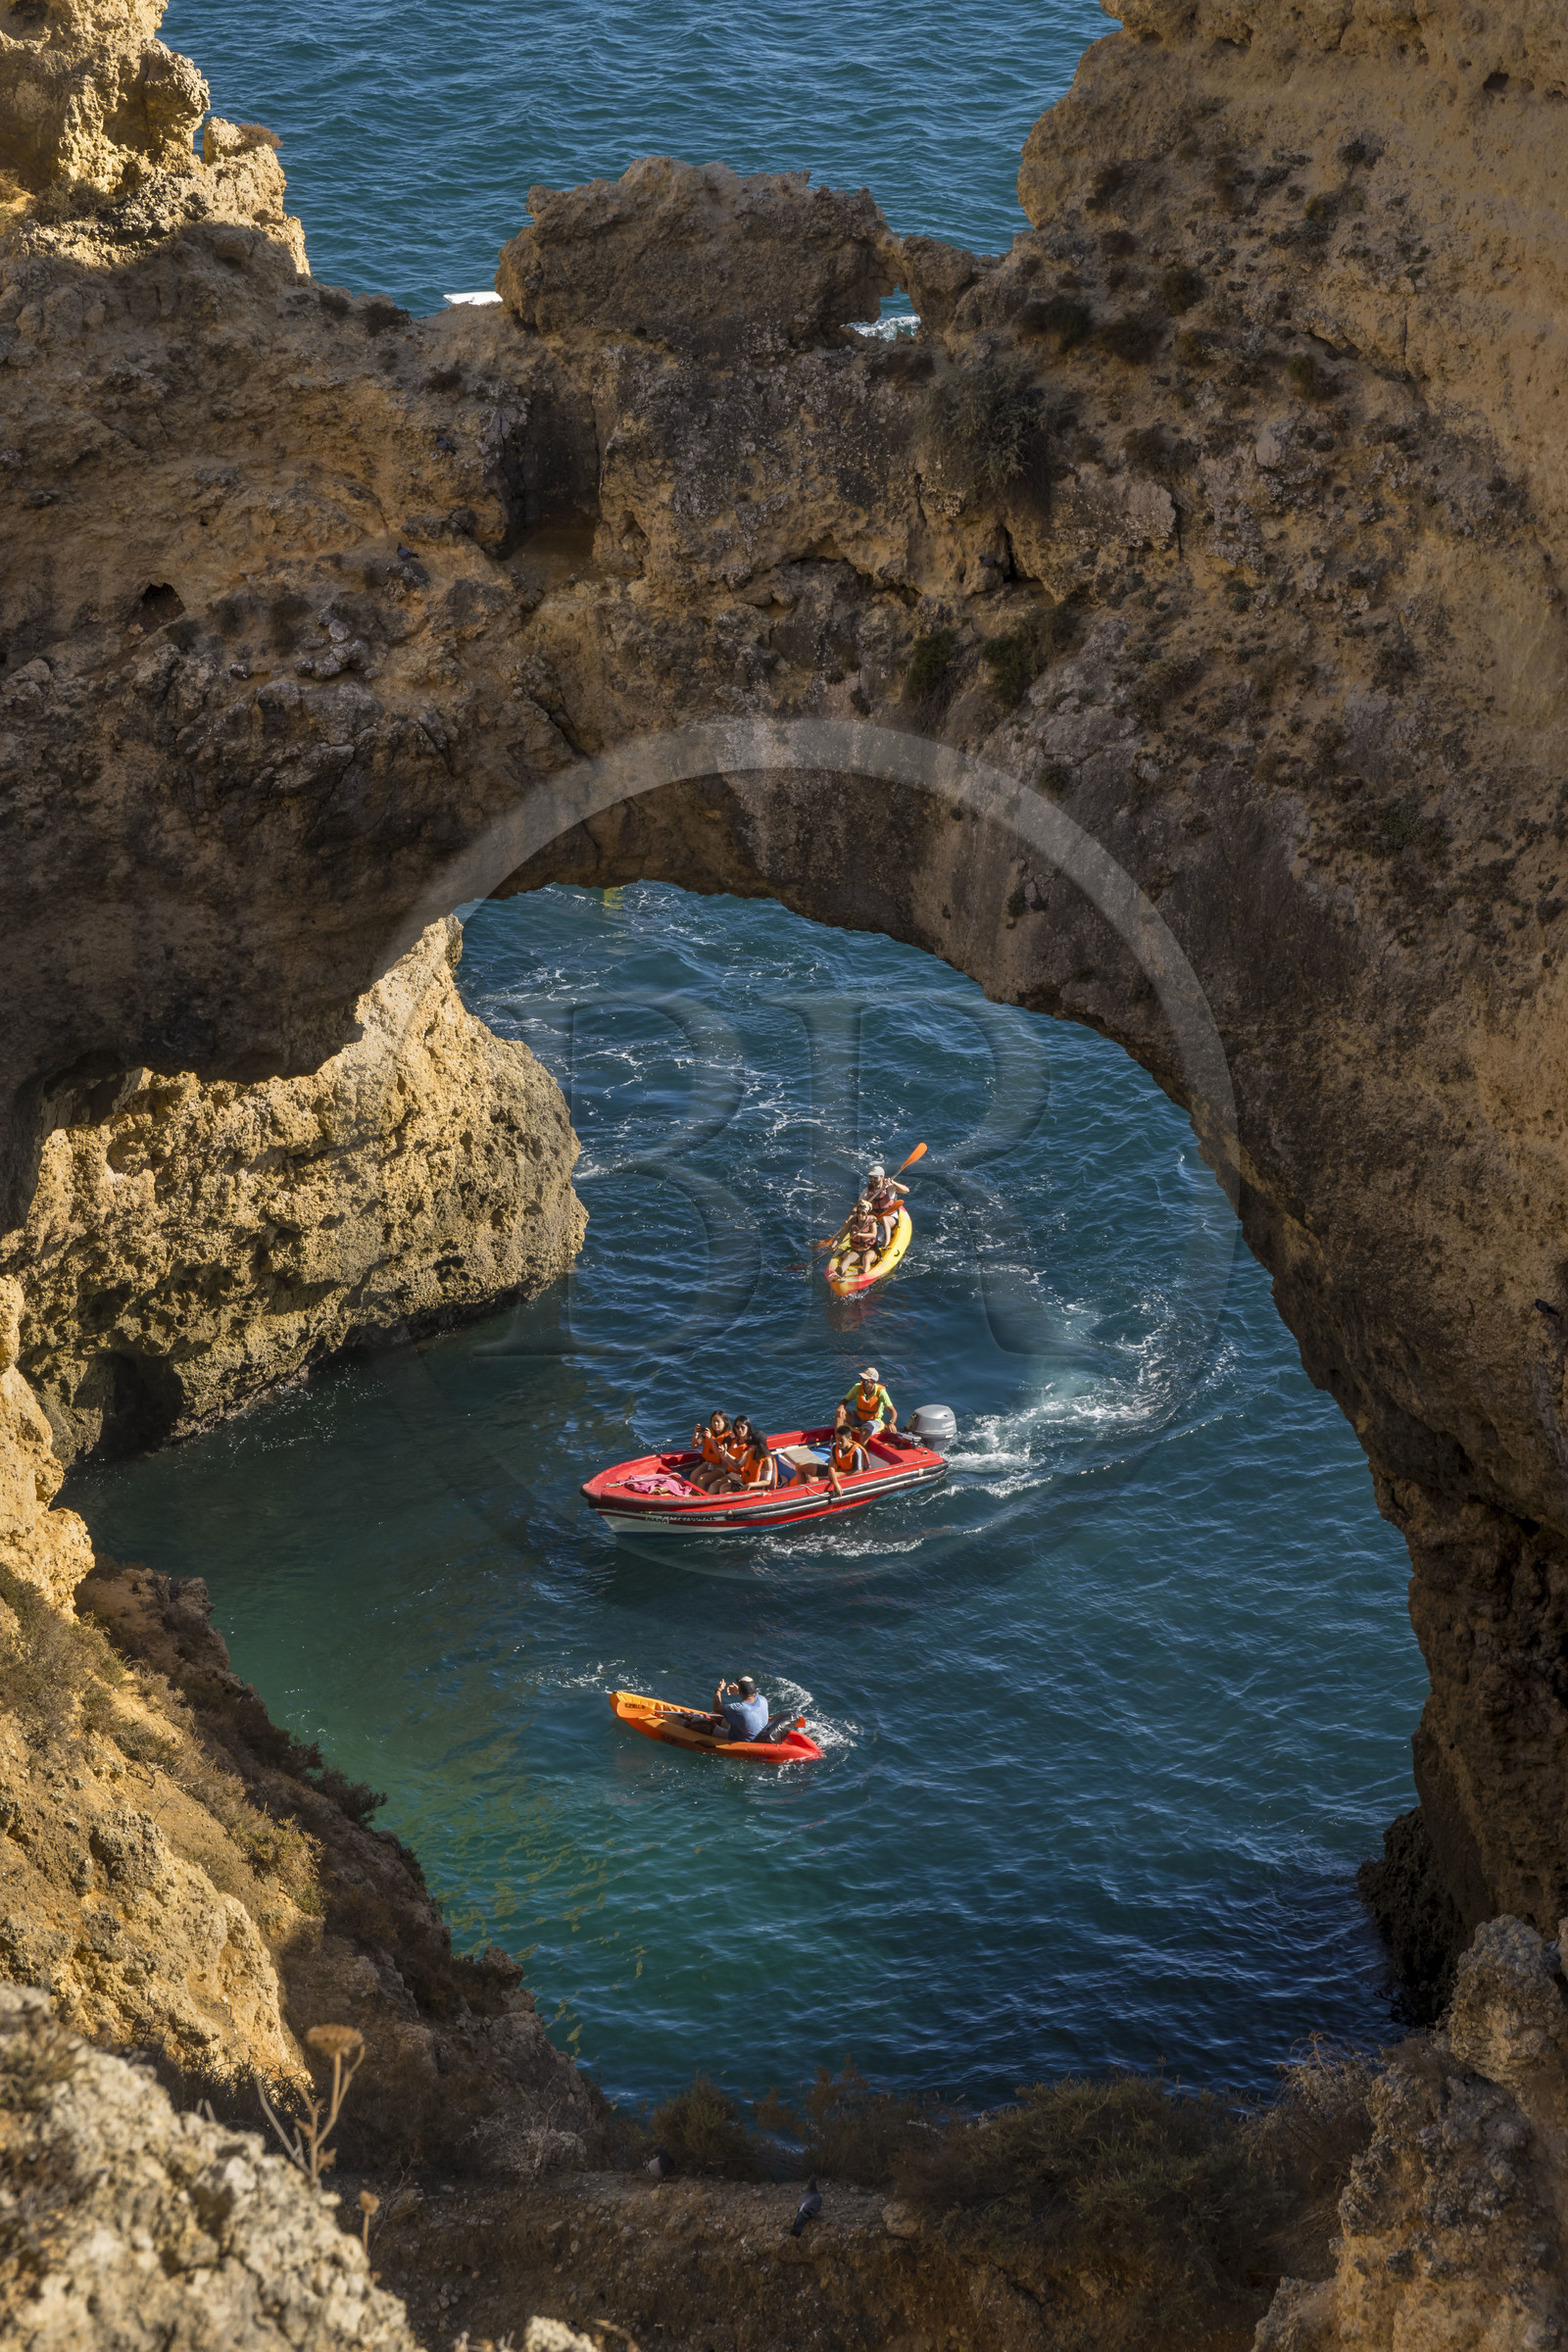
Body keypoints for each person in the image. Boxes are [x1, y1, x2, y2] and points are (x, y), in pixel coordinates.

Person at [861, 1162, 909, 1250]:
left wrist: (893, 1183)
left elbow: (906, 1190)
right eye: (871, 1177)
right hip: (875, 1218)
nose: (872, 1180)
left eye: (875, 1177)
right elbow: (860, 1205)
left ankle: (886, 1241)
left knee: (883, 1219)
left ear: (882, 1178)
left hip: (890, 1217)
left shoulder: (889, 1188)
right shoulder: (867, 1191)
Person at [843, 1365, 898, 1438]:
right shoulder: (857, 1387)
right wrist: (841, 1407)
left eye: (866, 1381)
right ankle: (838, 1438)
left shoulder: (881, 1392)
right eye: (861, 1379)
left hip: (873, 1421)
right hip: (858, 1416)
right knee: (840, 1413)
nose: (863, 1382)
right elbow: (845, 1400)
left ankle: (863, 1448)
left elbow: (893, 1411)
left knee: (864, 1432)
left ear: (873, 1382)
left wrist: (891, 1423)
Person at [826, 1402, 868, 1494]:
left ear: (849, 1439)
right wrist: (835, 1481)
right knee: (800, 1466)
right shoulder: (835, 1446)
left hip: (849, 1476)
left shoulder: (856, 1450)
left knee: (812, 1480)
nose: (839, 1442)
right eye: (837, 1439)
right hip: (837, 1472)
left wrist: (838, 1475)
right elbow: (831, 1466)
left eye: (842, 1440)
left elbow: (858, 1471)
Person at [712, 1675, 768, 1740]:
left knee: (703, 1724)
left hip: (742, 1740)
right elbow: (749, 1696)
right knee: (726, 1718)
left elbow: (716, 1708)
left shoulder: (738, 1709)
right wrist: (739, 1691)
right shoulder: (763, 1699)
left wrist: (719, 1690)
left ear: (741, 1691)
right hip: (759, 1736)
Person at [689, 1410, 734, 1492]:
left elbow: (720, 1457)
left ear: (725, 1422)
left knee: (702, 1479)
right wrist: (695, 1434)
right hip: (709, 1463)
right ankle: (696, 1496)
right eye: (714, 1421)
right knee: (693, 1476)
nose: (716, 1424)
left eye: (718, 1421)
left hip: (721, 1467)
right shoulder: (709, 1432)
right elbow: (694, 1446)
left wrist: (710, 1439)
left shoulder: (729, 1437)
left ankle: (703, 1500)